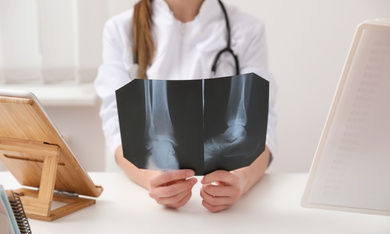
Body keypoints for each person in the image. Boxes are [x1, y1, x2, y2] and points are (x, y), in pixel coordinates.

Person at [95, 0, 277, 213]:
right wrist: (154, 180)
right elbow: (115, 125)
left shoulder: (247, 30)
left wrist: (242, 179)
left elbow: (263, 128)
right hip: (142, 204)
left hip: (224, 212)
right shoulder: (119, 30)